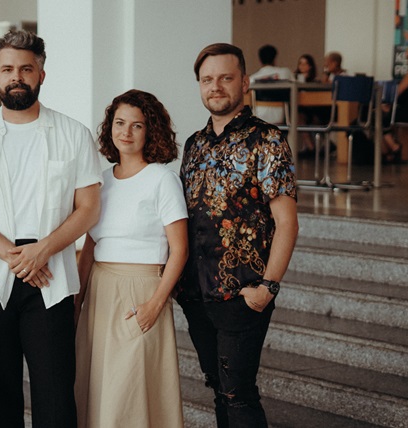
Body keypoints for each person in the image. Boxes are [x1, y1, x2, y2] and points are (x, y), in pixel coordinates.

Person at [0, 30, 102, 428]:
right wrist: (13, 255)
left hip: (50, 278)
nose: (17, 76)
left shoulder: (74, 134)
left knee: (55, 396)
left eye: (26, 68)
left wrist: (43, 249)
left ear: (41, 75)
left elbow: (88, 209)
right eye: (7, 69)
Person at [176, 43, 299, 428]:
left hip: (242, 292)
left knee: (238, 394)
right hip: (196, 292)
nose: (216, 87)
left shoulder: (267, 140)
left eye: (226, 78)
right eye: (207, 79)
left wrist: (268, 288)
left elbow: (287, 222)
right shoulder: (194, 145)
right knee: (217, 388)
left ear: (244, 83)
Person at [74, 89, 189, 428]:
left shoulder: (162, 180)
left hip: (141, 291)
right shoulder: (101, 182)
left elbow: (179, 250)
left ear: (150, 131)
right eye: (119, 123)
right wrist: (77, 301)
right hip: (100, 290)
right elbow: (90, 246)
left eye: (136, 126)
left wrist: (156, 303)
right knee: (96, 387)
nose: (125, 132)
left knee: (130, 392)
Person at [249, 44, 294, 125]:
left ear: (260, 60)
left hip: (259, 116)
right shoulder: (286, 72)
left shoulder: (252, 78)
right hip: (281, 116)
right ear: (275, 58)